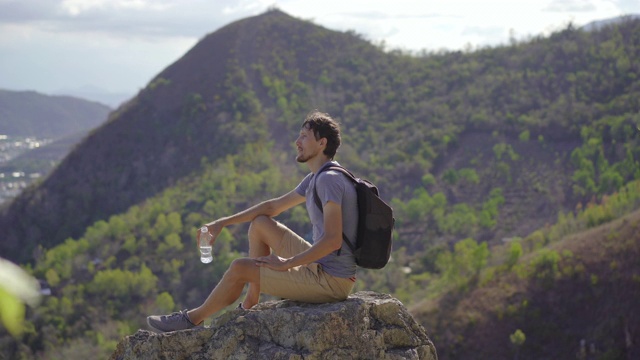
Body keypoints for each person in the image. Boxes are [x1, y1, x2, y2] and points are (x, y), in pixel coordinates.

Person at [147, 110, 358, 332]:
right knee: (260, 223)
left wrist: (287, 263)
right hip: (321, 266)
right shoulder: (317, 178)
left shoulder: (329, 181)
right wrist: (222, 223)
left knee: (239, 268)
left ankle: (191, 320)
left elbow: (333, 240)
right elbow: (272, 207)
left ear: (322, 143)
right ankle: (252, 300)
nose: (297, 142)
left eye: (304, 136)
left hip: (332, 281)